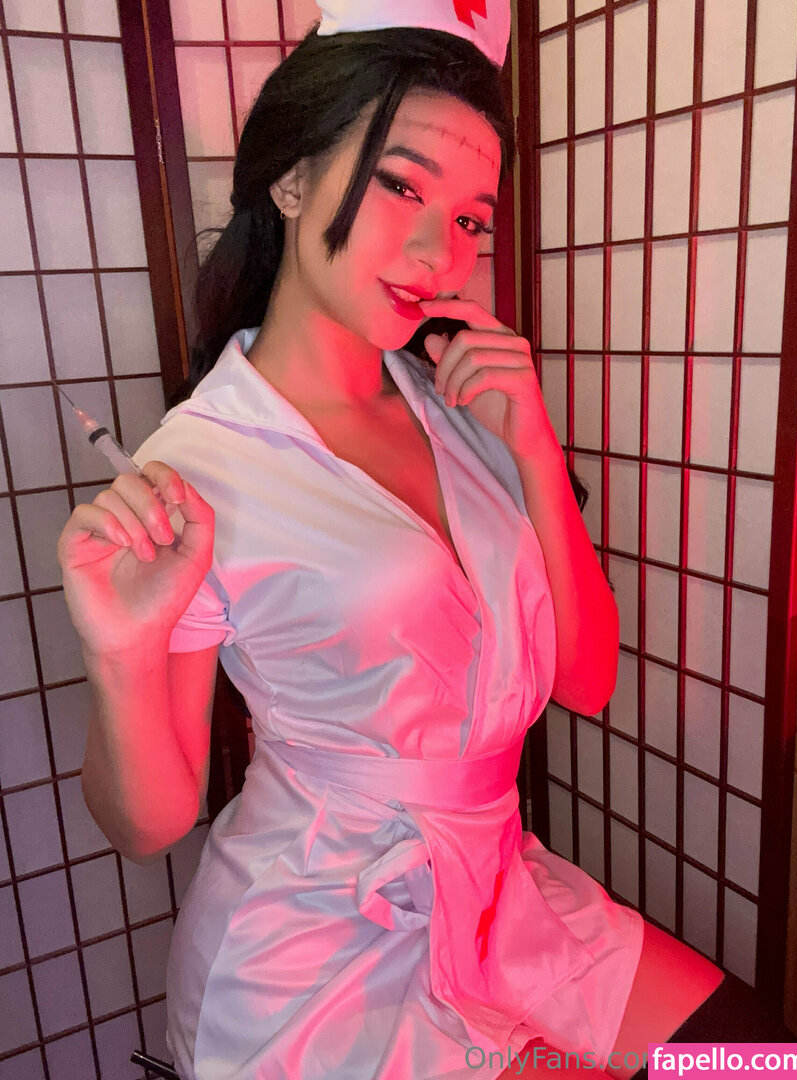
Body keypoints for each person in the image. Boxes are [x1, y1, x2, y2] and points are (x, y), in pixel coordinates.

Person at [57, 3, 725, 1077]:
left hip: (502, 895)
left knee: (760, 1061)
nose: (438, 253)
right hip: (319, 952)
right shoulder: (203, 463)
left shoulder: (457, 403)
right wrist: (120, 652)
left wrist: (534, 451)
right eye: (400, 187)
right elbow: (149, 825)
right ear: (290, 179)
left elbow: (587, 679)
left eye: (470, 219)